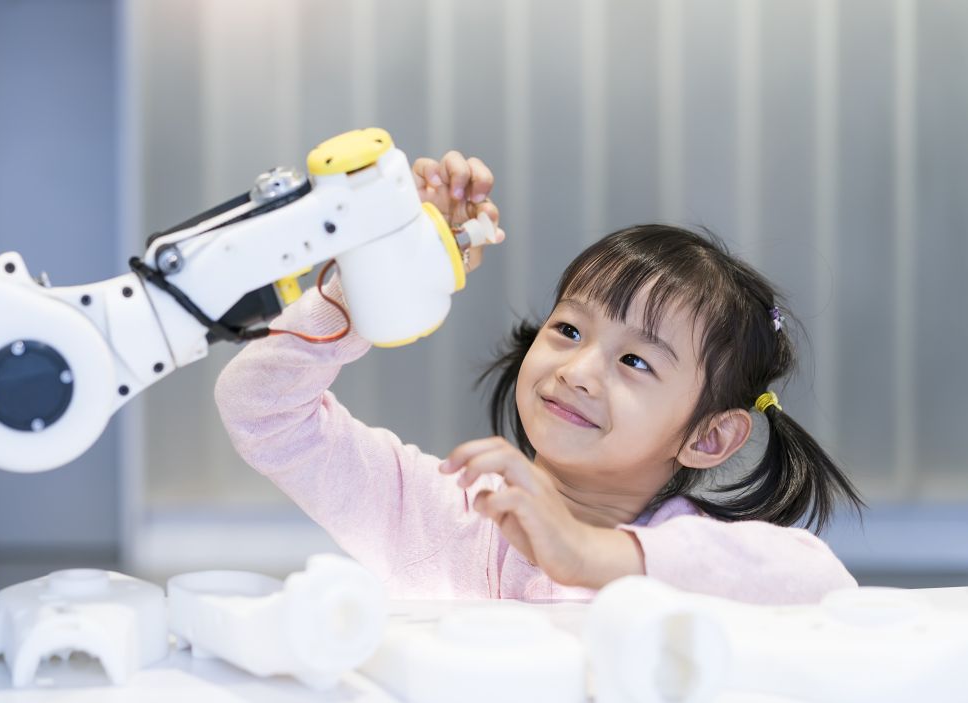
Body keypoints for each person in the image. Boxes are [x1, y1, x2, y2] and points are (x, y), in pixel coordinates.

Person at [214, 151, 863, 604]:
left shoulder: (695, 560)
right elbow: (262, 410)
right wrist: (375, 281)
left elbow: (819, 583)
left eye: (636, 361)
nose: (577, 370)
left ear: (711, 437)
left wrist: (585, 553)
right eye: (569, 330)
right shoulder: (440, 508)